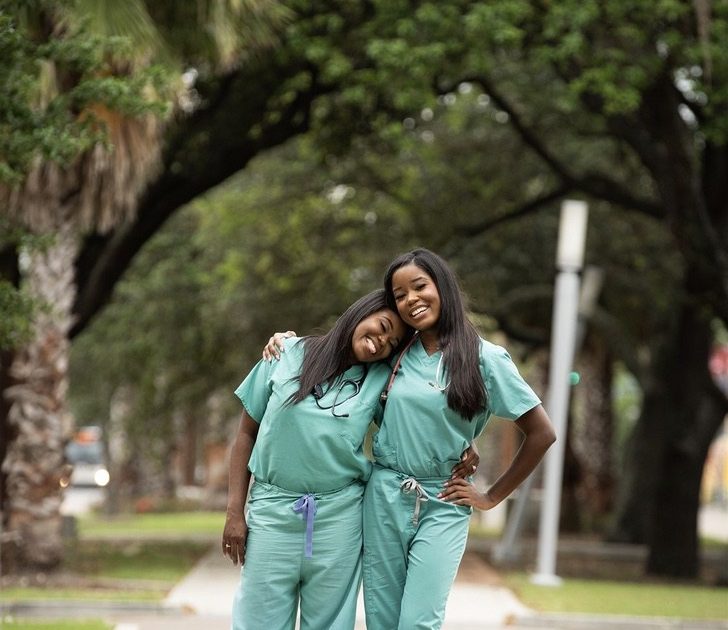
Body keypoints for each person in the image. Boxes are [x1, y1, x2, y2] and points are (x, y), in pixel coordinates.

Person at [264, 248, 555, 629]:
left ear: (443, 287)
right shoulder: (394, 354)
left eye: (419, 287)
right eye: (400, 295)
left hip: (443, 500)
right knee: (382, 621)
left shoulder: (487, 359)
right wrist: (286, 342)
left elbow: (541, 432)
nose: (411, 300)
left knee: (419, 621)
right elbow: (339, 355)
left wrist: (491, 496)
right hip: (383, 496)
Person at [222, 289, 476, 630]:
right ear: (361, 312)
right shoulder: (286, 353)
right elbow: (245, 435)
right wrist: (234, 512)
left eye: (392, 342)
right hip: (272, 514)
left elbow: (421, 415)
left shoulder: (382, 380)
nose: (381, 341)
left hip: (340, 520)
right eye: (383, 326)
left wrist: (465, 443)